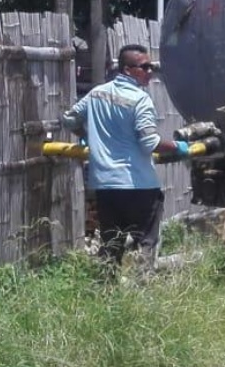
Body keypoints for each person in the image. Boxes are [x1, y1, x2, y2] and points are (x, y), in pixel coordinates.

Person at [61, 44, 179, 273]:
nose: (149, 72)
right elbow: (149, 143)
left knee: (112, 243)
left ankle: (106, 292)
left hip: (105, 185)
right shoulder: (140, 100)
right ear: (127, 69)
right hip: (139, 186)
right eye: (144, 67)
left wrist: (86, 136)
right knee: (145, 242)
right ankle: (143, 290)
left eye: (151, 67)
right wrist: (180, 147)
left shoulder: (97, 94)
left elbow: (69, 119)